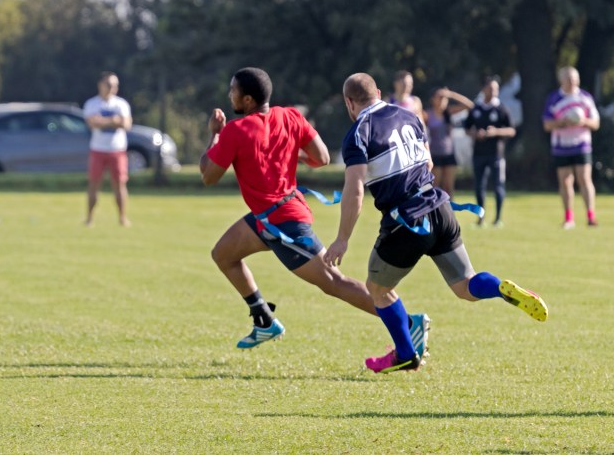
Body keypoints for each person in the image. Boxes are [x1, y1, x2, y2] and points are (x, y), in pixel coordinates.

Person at [324, 73, 548, 373]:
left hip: (407, 221)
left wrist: (342, 239)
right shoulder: (409, 116)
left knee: (377, 288)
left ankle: (405, 353)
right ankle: (499, 288)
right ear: (378, 92)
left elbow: (354, 190)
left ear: (349, 103)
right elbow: (428, 163)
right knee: (466, 285)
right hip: (440, 208)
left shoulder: (358, 133)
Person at [200, 67, 430, 351]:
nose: (229, 94)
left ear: (247, 100)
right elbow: (320, 157)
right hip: (268, 216)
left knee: (334, 281)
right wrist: (288, 155)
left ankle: (408, 323)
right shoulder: (291, 116)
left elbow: (208, 176)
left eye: (233, 90)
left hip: (283, 224)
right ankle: (263, 320)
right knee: (223, 254)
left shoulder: (234, 131)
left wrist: (215, 135)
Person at [542, 66, 601, 229]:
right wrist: (562, 122)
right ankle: (569, 218)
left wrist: (583, 122)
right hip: (561, 146)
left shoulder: (585, 98)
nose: (572, 81)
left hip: (582, 144)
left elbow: (596, 123)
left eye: (575, 78)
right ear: (561, 80)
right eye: (568, 78)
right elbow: (547, 125)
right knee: (566, 182)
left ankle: (591, 215)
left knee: (584, 179)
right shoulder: (554, 99)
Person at [463, 76, 515, 227]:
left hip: (496, 154)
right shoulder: (476, 109)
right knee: (479, 187)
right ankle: (481, 218)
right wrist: (475, 134)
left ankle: (498, 218)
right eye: (491, 88)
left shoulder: (501, 108)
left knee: (498, 186)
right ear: (484, 89)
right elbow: (467, 128)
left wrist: (496, 132)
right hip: (478, 153)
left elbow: (511, 130)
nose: (494, 92)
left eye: (496, 89)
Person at [84, 71, 132, 226]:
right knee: (94, 184)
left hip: (117, 150)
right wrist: (115, 120)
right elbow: (92, 123)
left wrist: (103, 120)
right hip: (98, 149)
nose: (113, 88)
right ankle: (89, 218)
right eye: (110, 84)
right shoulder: (92, 104)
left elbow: (126, 124)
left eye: (116, 85)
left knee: (120, 185)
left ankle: (122, 218)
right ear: (101, 85)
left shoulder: (121, 104)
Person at [424, 87, 475, 197]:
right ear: (433, 99)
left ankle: (450, 213)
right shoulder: (428, 114)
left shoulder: (449, 113)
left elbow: (470, 106)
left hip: (449, 154)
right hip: (435, 154)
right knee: (435, 187)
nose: (442, 100)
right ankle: (435, 212)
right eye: (440, 97)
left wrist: (451, 94)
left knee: (449, 188)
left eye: (444, 98)